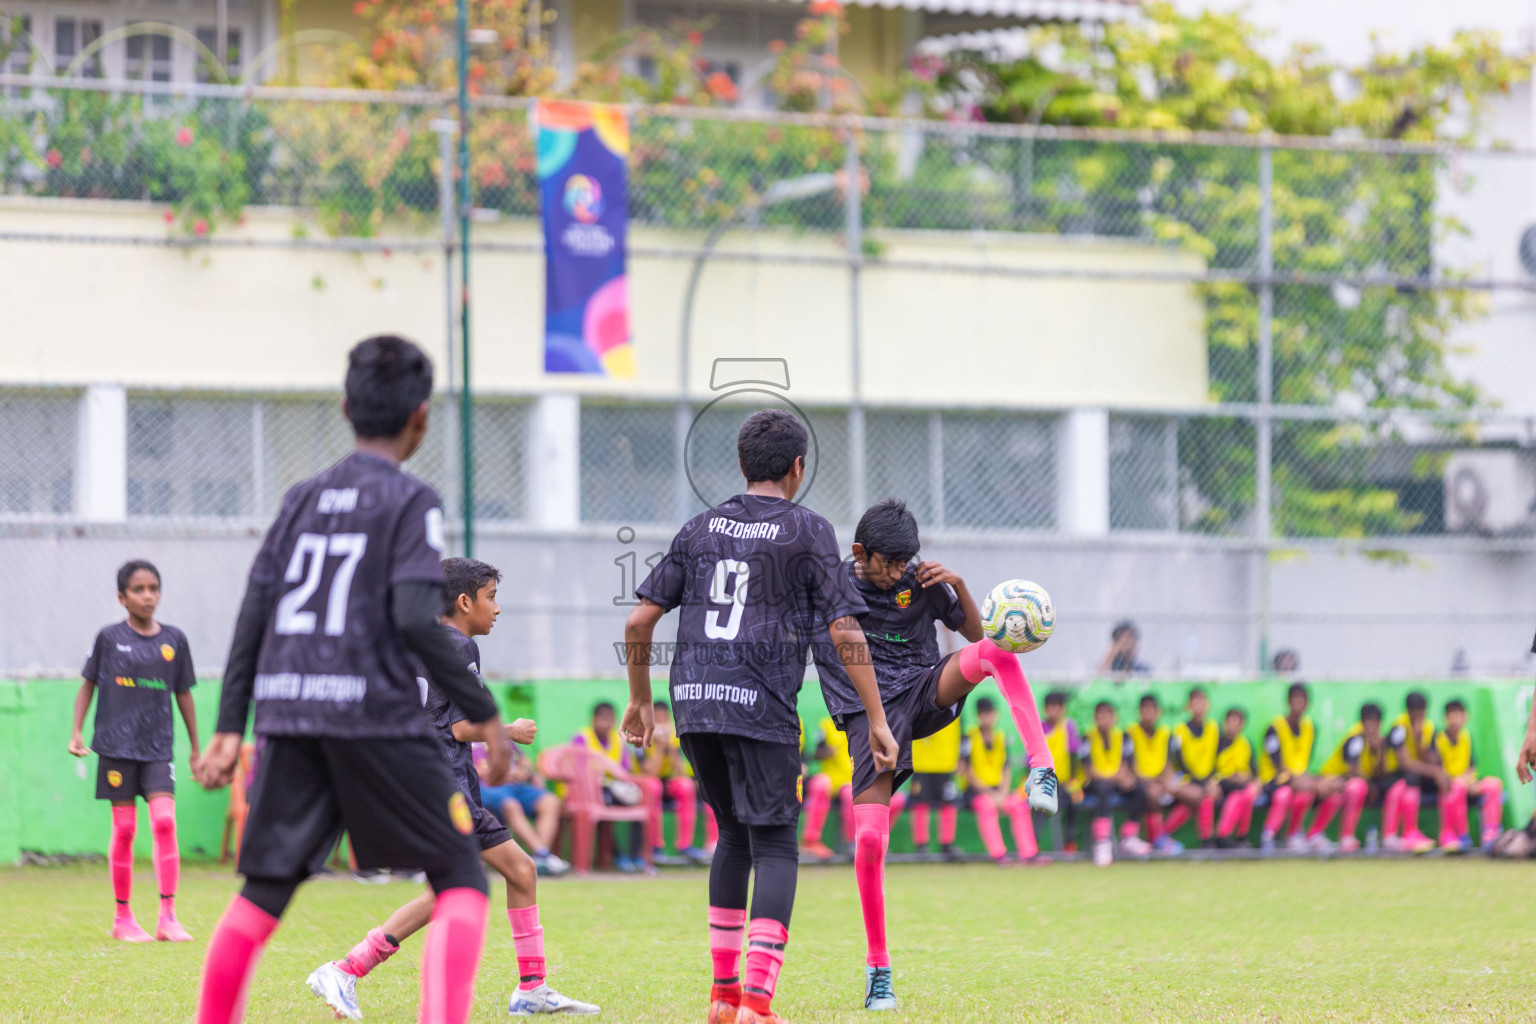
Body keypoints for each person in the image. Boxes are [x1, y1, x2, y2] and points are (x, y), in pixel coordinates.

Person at [192, 335, 515, 1024]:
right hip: (372, 713)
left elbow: (256, 609)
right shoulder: (411, 500)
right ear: (422, 419)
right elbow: (408, 615)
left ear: (346, 407)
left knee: (264, 891)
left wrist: (228, 725)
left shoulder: (301, 497)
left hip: (290, 709)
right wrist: (482, 707)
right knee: (462, 876)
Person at [621, 409, 900, 1024]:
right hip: (760, 704)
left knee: (732, 837)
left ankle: (723, 997)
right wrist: (877, 718)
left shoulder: (698, 528)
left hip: (692, 703)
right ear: (797, 467)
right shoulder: (808, 530)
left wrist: (640, 700)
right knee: (776, 847)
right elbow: (844, 627)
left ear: (743, 464)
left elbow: (640, 619)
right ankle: (756, 1004)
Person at [307, 557, 598, 1018]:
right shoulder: (457, 646)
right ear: (465, 602)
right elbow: (460, 726)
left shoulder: (419, 644)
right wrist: (509, 731)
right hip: (444, 786)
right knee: (498, 876)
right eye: (491, 598)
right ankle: (345, 970)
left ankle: (532, 987)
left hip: (433, 781)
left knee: (494, 879)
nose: (497, 609)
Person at [809, 498, 1059, 1011]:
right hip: (866, 713)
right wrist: (872, 717)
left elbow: (976, 634)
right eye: (891, 564)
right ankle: (879, 971)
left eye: (907, 562)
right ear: (861, 552)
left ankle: (1043, 769)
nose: (900, 573)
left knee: (994, 653)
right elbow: (838, 644)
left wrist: (960, 585)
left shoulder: (919, 579)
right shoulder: (834, 583)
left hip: (923, 689)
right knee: (872, 839)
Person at [69, 559, 200, 943]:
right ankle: (123, 918)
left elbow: (184, 694)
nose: (148, 596)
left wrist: (194, 749)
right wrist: (77, 730)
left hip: (158, 748)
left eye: (154, 588)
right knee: (125, 828)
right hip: (115, 746)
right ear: (122, 597)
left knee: (164, 822)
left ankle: (168, 916)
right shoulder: (109, 638)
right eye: (139, 589)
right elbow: (88, 685)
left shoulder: (174, 640)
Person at [963, 697, 1042, 865]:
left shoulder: (1001, 738)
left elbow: (1006, 769)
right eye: (984, 714)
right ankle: (999, 855)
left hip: (1000, 791)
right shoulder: (968, 738)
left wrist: (1003, 793)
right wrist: (991, 794)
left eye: (990, 714)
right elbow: (967, 770)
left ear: (996, 715)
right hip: (976, 792)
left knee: (1018, 805)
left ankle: (1029, 854)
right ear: (978, 716)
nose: (988, 718)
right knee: (987, 806)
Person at [573, 701, 650, 874]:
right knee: (602, 810)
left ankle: (634, 855)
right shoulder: (582, 738)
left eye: (610, 720)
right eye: (602, 719)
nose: (606, 724)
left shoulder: (618, 740)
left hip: (613, 789)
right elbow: (577, 768)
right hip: (587, 793)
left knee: (637, 805)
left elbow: (625, 771)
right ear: (593, 720)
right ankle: (618, 855)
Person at [478, 745, 569, 876]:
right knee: (511, 805)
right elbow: (464, 770)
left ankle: (540, 858)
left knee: (550, 801)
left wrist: (523, 772)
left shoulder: (502, 735)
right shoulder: (466, 736)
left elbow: (524, 762)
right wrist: (499, 772)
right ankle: (544, 855)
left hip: (516, 785)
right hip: (488, 787)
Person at [639, 700, 710, 862]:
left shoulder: (674, 740)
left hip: (668, 785)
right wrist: (659, 746)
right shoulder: (641, 740)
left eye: (664, 719)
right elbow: (652, 773)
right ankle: (655, 846)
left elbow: (681, 772)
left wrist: (670, 747)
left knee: (687, 785)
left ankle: (684, 845)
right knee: (653, 785)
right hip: (648, 787)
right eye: (657, 719)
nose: (661, 724)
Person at [1084, 701, 1149, 866]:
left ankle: (1129, 836)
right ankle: (1102, 842)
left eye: (1108, 715)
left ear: (1115, 718)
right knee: (1103, 788)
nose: (1104, 719)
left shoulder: (1124, 737)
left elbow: (1127, 763)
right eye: (1101, 715)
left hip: (1117, 781)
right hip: (1094, 784)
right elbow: (1088, 769)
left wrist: (1126, 778)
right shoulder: (1087, 738)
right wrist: (1114, 777)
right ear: (1095, 718)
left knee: (1139, 789)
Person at [1256, 682, 1318, 852]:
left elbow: (1305, 761)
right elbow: (1278, 766)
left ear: (1308, 703)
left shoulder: (1310, 728)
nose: (1299, 703)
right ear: (1288, 702)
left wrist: (1308, 780)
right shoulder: (1274, 728)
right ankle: (1267, 835)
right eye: (1295, 699)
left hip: (1298, 779)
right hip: (1273, 779)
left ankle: (1294, 835)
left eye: (1303, 699)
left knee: (1309, 792)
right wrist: (1302, 780)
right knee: (1285, 794)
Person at [1318, 703, 1388, 852]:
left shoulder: (1378, 741)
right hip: (1332, 778)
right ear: (1361, 722)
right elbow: (1354, 772)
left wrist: (1380, 750)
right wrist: (1371, 786)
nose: (1372, 725)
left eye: (1376, 721)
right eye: (1368, 721)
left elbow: (1380, 772)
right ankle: (1346, 836)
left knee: (1360, 786)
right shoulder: (1356, 738)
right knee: (1357, 786)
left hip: (1345, 782)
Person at [1437, 699, 1504, 852]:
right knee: (1458, 787)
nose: (1457, 719)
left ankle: (1491, 835)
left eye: (1460, 714)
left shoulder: (1466, 736)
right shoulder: (1439, 739)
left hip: (1468, 782)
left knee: (1494, 784)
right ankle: (1461, 835)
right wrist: (1459, 781)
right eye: (1453, 714)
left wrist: (1468, 781)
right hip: (1450, 786)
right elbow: (1439, 770)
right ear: (1446, 717)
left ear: (1466, 717)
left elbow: (1471, 767)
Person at [1381, 691, 1444, 853]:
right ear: (1408, 711)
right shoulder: (1398, 728)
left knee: (1444, 781)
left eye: (1422, 711)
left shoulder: (1428, 727)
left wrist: (1420, 741)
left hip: (1418, 772)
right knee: (1411, 778)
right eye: (1415, 711)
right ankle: (1408, 832)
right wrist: (1433, 771)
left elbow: (1435, 760)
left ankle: (1449, 834)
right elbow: (1405, 763)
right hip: (1393, 774)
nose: (1419, 715)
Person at [1164, 688, 1220, 849]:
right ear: (1188, 706)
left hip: (1208, 780)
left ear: (1208, 705)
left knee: (1199, 800)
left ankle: (1163, 834)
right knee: (1203, 798)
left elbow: (1219, 759)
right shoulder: (1180, 730)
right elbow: (1177, 762)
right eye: (1195, 702)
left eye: (1202, 702)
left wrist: (1215, 781)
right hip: (1186, 780)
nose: (1199, 706)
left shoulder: (1214, 728)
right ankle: (1206, 841)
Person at [1125, 693, 1179, 853]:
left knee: (1193, 795)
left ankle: (1161, 836)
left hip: (1160, 781)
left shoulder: (1166, 733)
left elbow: (1169, 763)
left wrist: (1165, 782)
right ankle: (1157, 839)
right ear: (1139, 711)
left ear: (1159, 712)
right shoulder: (1130, 733)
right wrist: (1155, 782)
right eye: (1145, 709)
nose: (1148, 713)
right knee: (1152, 793)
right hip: (1140, 782)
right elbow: (1131, 767)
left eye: (1152, 709)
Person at [801, 716, 856, 860]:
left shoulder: (862, 723)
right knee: (820, 785)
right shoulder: (826, 725)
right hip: (830, 778)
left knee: (851, 794)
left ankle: (853, 844)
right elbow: (816, 754)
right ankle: (810, 841)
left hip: (849, 781)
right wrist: (827, 752)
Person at [908, 719, 963, 859]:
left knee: (948, 804)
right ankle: (921, 846)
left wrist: (960, 758)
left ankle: (947, 844)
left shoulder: (957, 701)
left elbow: (962, 730)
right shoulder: (917, 698)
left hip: (946, 763)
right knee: (920, 804)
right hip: (921, 763)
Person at [1039, 691, 1084, 852]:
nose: (1054, 711)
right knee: (1040, 803)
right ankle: (1034, 846)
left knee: (1075, 799)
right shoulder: (1039, 728)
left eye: (1058, 707)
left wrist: (1074, 782)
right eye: (1051, 707)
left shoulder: (1068, 727)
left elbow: (1073, 756)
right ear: (1045, 709)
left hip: (1066, 782)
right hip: (1043, 782)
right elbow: (1030, 758)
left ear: (1063, 709)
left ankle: (1070, 842)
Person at [1213, 707, 1259, 847]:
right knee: (1240, 794)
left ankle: (1234, 835)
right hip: (1221, 783)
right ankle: (1230, 835)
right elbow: (1212, 769)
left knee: (1245, 794)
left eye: (1237, 722)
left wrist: (1254, 783)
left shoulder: (1245, 744)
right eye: (1230, 721)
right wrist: (1233, 777)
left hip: (1241, 785)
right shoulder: (1217, 743)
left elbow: (1253, 772)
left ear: (1242, 725)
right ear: (1225, 723)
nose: (1233, 725)